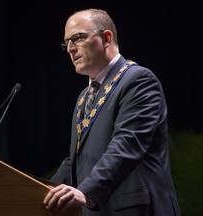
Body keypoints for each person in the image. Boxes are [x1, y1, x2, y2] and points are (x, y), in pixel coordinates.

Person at [43, 8, 181, 216]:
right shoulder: (84, 96)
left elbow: (127, 145)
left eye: (78, 38)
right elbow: (76, 161)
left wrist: (85, 192)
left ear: (106, 38)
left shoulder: (138, 81)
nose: (70, 48)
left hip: (137, 210)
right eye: (67, 42)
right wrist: (39, 194)